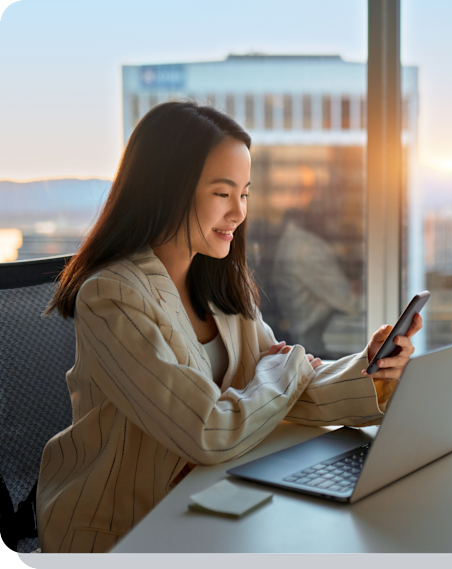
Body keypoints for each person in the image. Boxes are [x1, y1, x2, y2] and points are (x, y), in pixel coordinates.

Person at [37, 101, 423, 553]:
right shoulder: (113, 296)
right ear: (166, 189)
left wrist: (372, 371)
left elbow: (277, 395)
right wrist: (283, 372)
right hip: (124, 530)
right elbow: (210, 431)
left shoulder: (220, 280)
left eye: (244, 193)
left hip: (203, 502)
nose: (239, 213)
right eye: (222, 193)